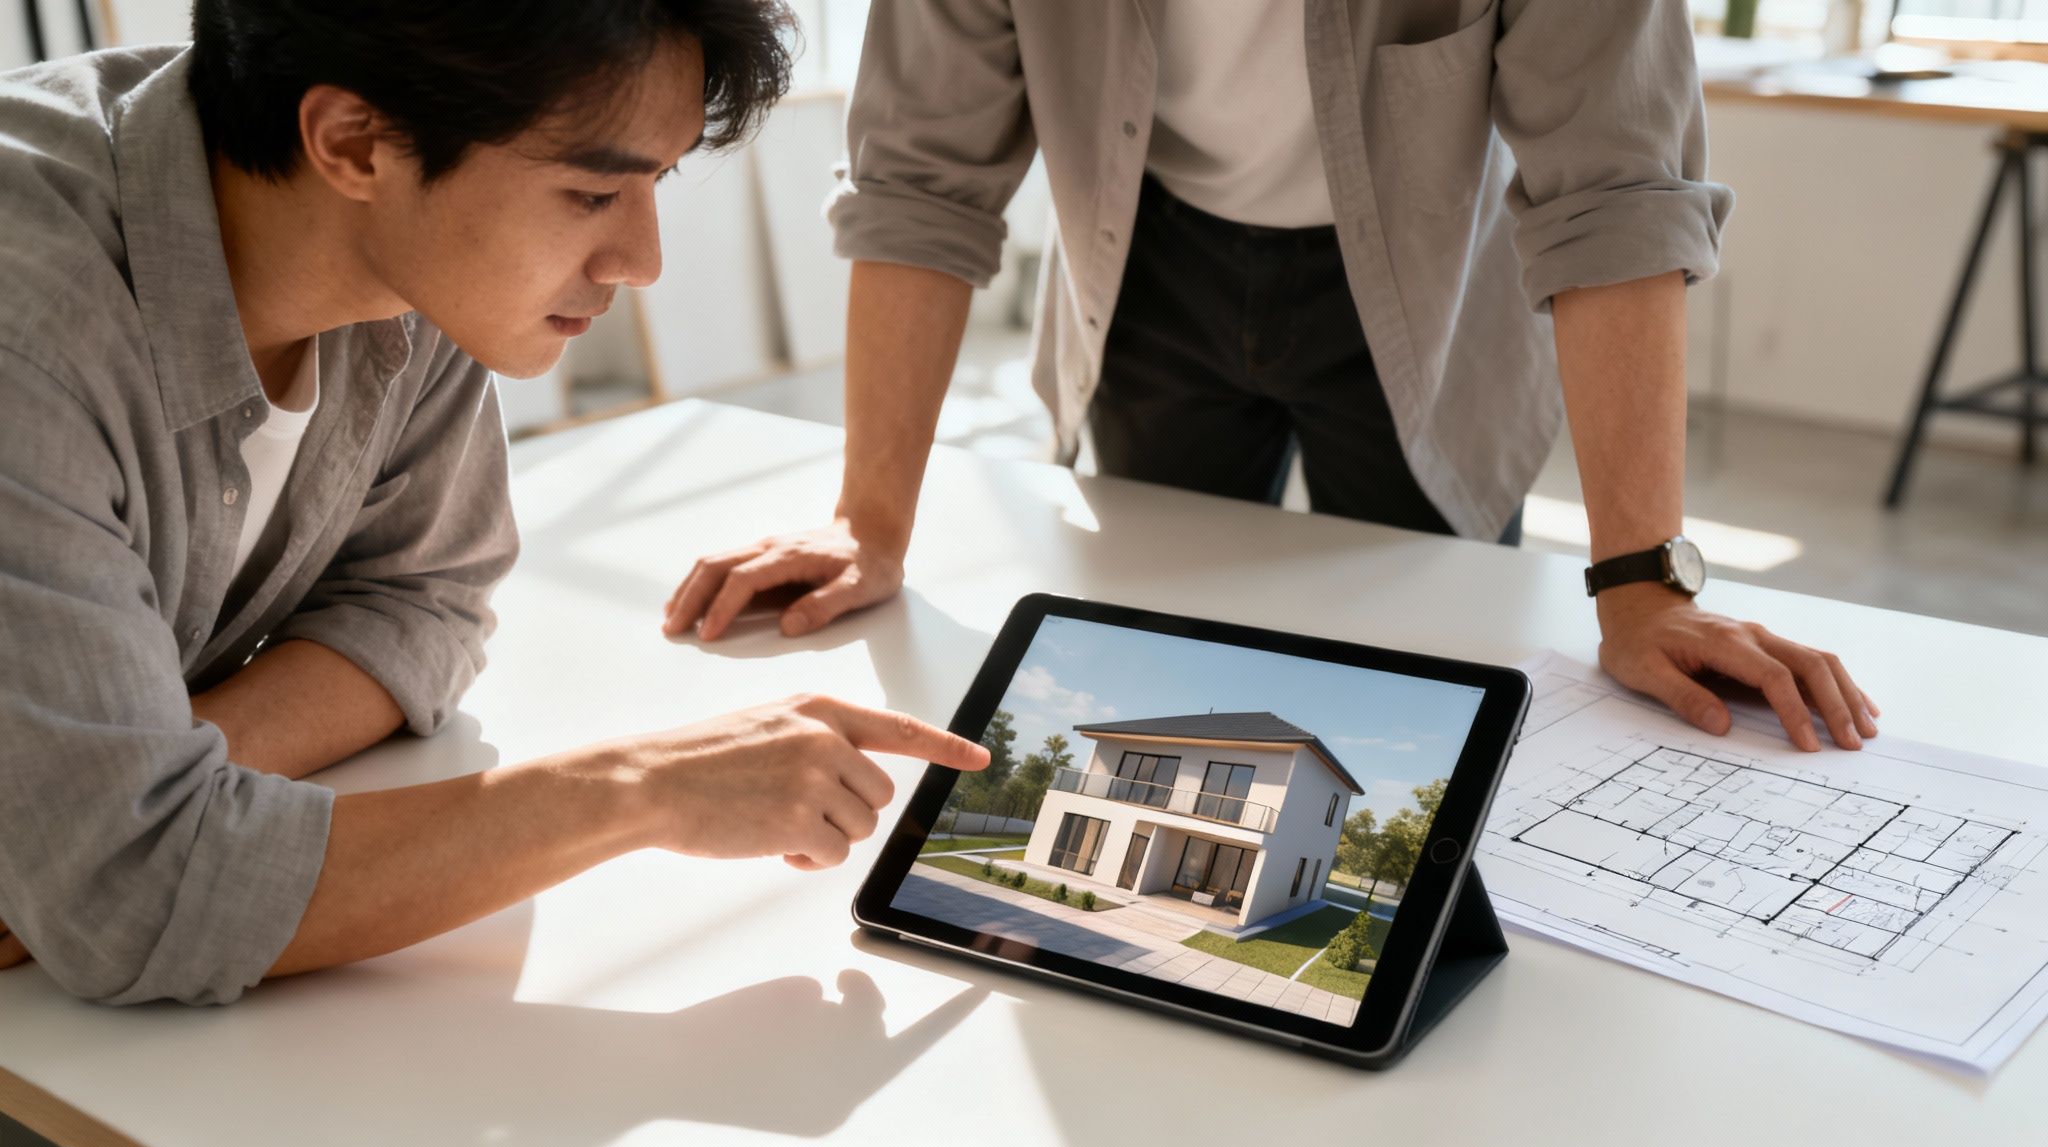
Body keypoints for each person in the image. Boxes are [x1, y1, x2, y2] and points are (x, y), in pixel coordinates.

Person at [0, 0, 986, 1006]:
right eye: (592, 192)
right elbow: (132, 900)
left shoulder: (403, 260)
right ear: (353, 143)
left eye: (657, 180)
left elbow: (424, 599)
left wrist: (130, 781)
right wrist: (640, 786)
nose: (641, 264)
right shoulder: (30, 331)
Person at [665, 0, 1881, 755]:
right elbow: (918, 183)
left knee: (1432, 700)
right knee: (1157, 676)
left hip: (1427, 294)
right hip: (1143, 267)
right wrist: (866, 520)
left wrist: (1639, 584)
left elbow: (1615, 195)